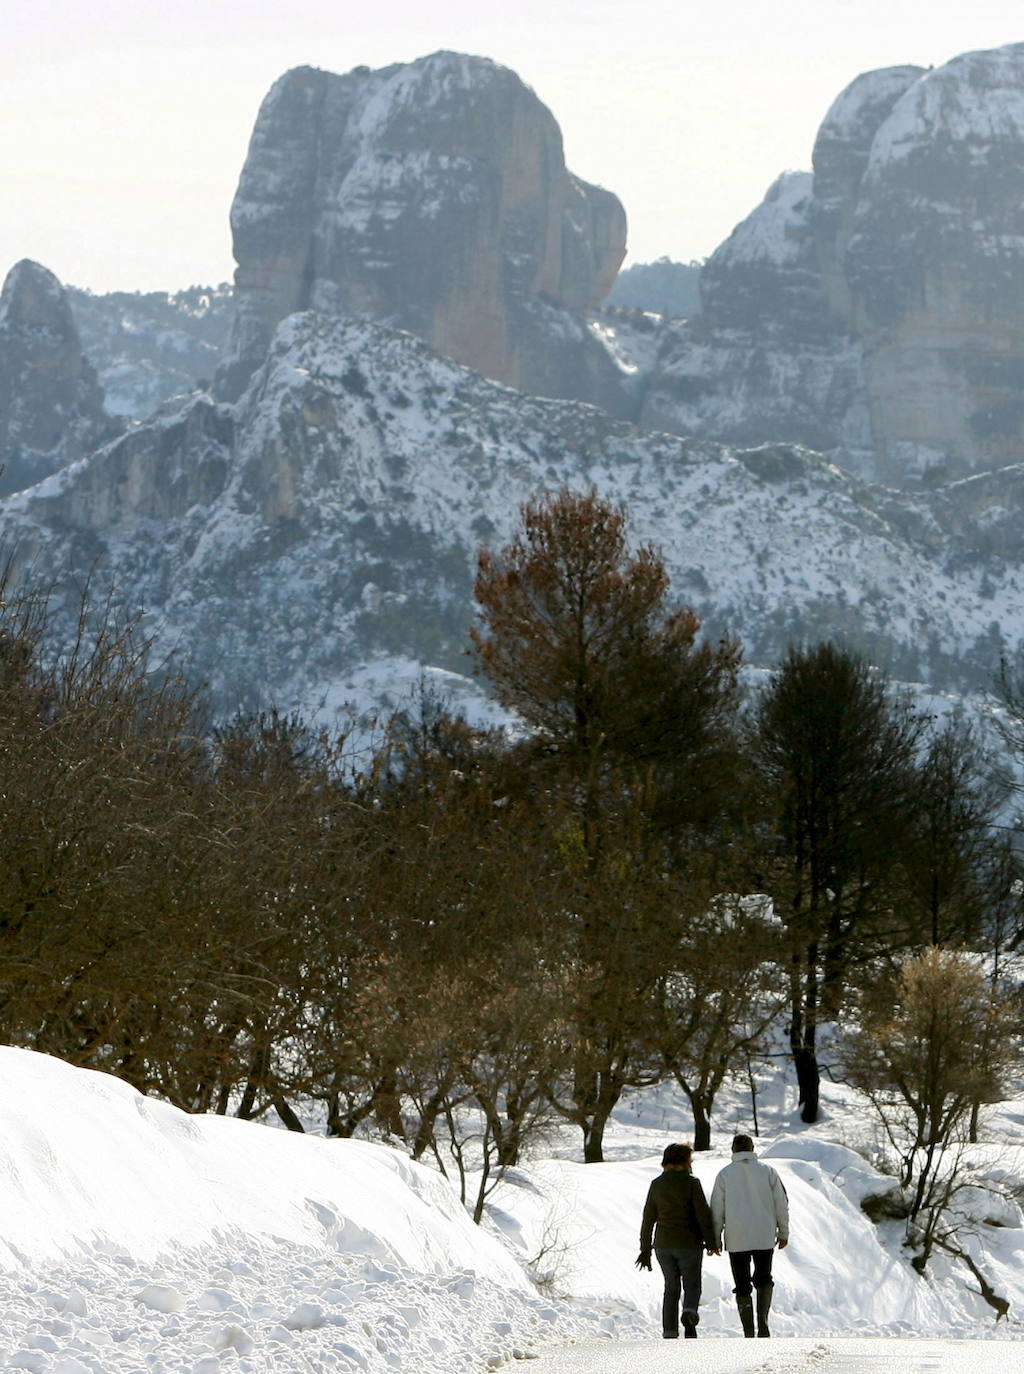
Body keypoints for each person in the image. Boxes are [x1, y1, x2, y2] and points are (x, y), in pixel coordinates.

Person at [710, 1132, 789, 1338]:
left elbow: (717, 1209)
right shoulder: (768, 1171)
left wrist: (716, 1237)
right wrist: (783, 1231)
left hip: (736, 1238)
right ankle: (763, 1322)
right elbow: (781, 1204)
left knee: (742, 1285)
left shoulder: (724, 1174)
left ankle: (748, 1331)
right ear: (753, 1149)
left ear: (733, 1150)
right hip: (764, 1236)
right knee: (764, 1279)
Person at [636, 1142, 718, 1340]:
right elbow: (702, 1215)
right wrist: (712, 1242)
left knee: (671, 1288)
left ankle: (670, 1331)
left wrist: (645, 1249)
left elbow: (648, 1218)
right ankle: (690, 1311)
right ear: (685, 1161)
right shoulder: (692, 1183)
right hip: (689, 1244)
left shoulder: (656, 1184)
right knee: (692, 1285)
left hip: (663, 1245)